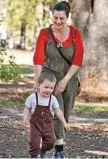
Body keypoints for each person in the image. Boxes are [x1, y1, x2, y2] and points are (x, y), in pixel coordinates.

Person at [33, 1, 84, 158]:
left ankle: (53, 142)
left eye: (61, 18)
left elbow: (77, 60)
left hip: (70, 78)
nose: (58, 21)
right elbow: (38, 59)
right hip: (50, 77)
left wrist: (65, 80)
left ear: (67, 17)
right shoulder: (45, 33)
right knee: (56, 109)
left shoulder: (75, 34)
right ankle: (59, 148)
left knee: (65, 113)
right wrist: (38, 81)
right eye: (55, 17)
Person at [23, 71, 71, 158]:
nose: (49, 90)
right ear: (39, 85)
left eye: (51, 88)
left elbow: (58, 111)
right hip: (35, 125)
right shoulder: (33, 97)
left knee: (51, 142)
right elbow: (27, 108)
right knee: (34, 143)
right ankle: (34, 156)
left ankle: (43, 150)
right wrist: (25, 118)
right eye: (46, 87)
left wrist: (64, 123)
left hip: (47, 125)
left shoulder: (52, 99)